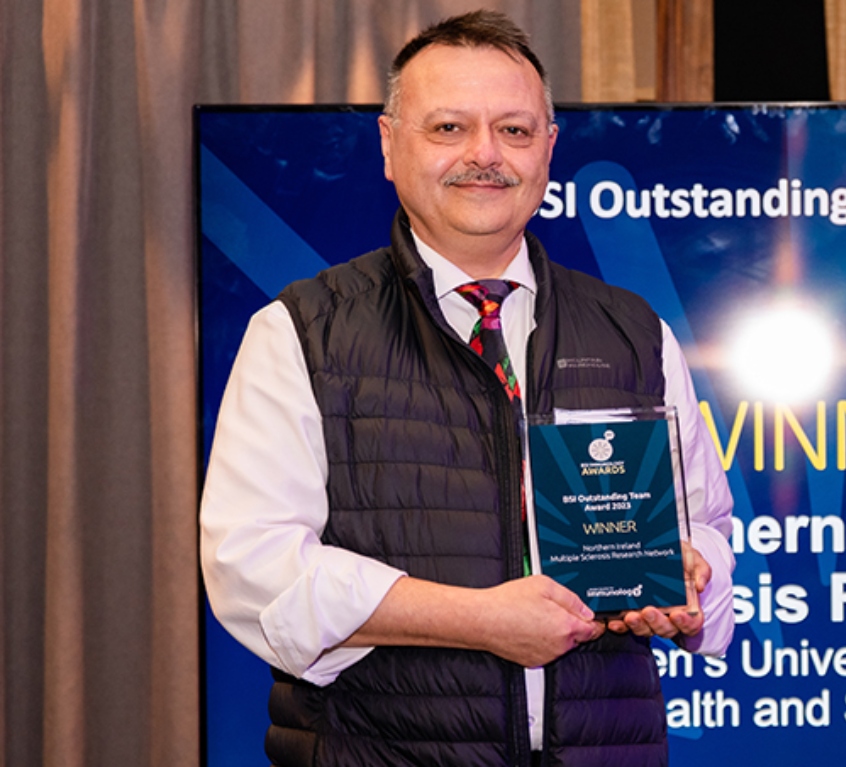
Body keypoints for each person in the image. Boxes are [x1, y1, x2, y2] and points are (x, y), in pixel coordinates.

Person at [199, 10, 734, 767]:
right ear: (390, 144)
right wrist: (480, 619)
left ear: (549, 148)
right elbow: (255, 568)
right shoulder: (302, 332)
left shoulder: (634, 329)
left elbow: (706, 522)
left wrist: (689, 574)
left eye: (514, 130)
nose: (485, 154)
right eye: (449, 127)